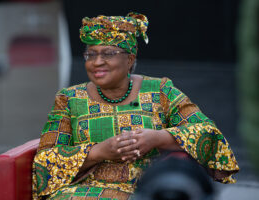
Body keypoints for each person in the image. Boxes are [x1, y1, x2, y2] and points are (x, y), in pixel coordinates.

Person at [32, 12, 239, 200]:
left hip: (148, 189)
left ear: (130, 59)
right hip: (83, 193)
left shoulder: (160, 90)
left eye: (108, 54)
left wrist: (158, 138)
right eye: (91, 54)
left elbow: (209, 135)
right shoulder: (69, 99)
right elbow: (44, 163)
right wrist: (98, 152)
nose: (97, 62)